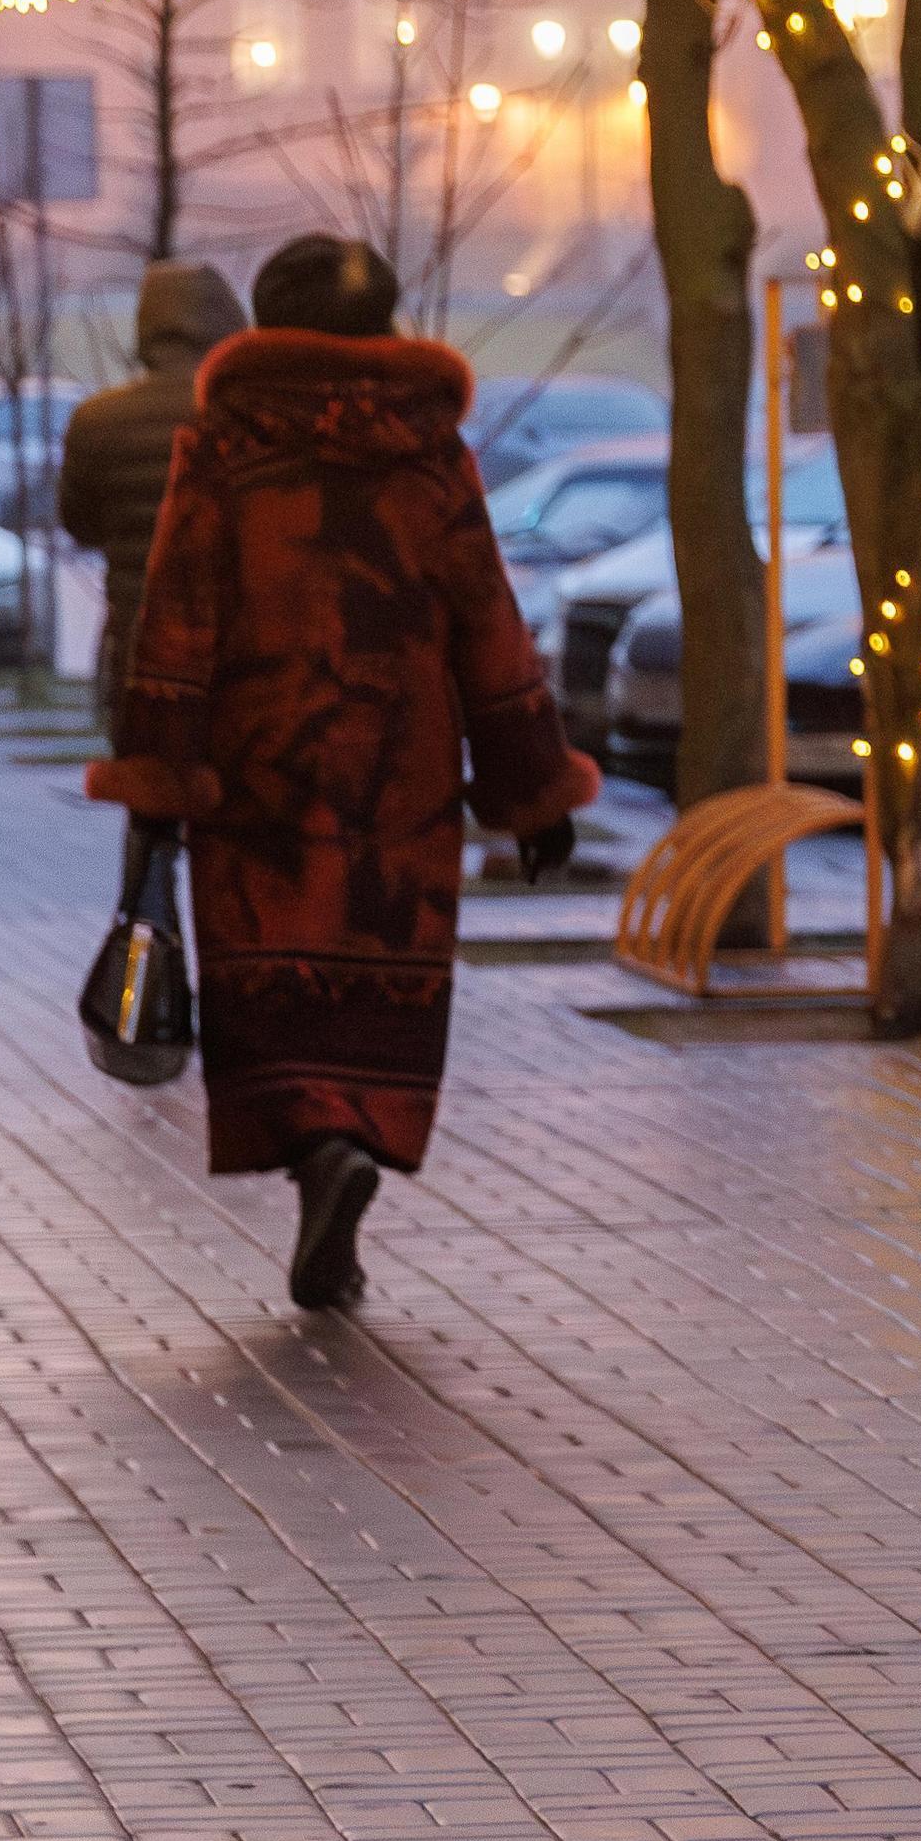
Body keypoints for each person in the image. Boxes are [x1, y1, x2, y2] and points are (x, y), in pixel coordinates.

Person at [88, 234, 596, 1308]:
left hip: (258, 766)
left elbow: (174, 620)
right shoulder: (429, 450)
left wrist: (161, 780)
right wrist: (532, 786)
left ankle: (317, 1154)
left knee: (274, 982)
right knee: (377, 977)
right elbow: (488, 623)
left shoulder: (222, 445)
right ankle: (353, 1141)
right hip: (399, 778)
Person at [57, 256, 251, 731]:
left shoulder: (96, 420)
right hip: (232, 647)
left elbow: (79, 524)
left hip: (137, 641)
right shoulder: (244, 417)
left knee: (148, 787)